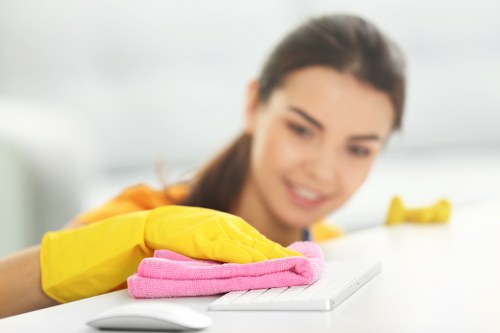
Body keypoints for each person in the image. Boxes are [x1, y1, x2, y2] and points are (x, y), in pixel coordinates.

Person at [0, 13, 405, 318]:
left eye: (358, 150)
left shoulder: (327, 249)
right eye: (301, 129)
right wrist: (136, 238)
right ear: (253, 105)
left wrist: (408, 246)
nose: (321, 170)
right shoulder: (139, 221)